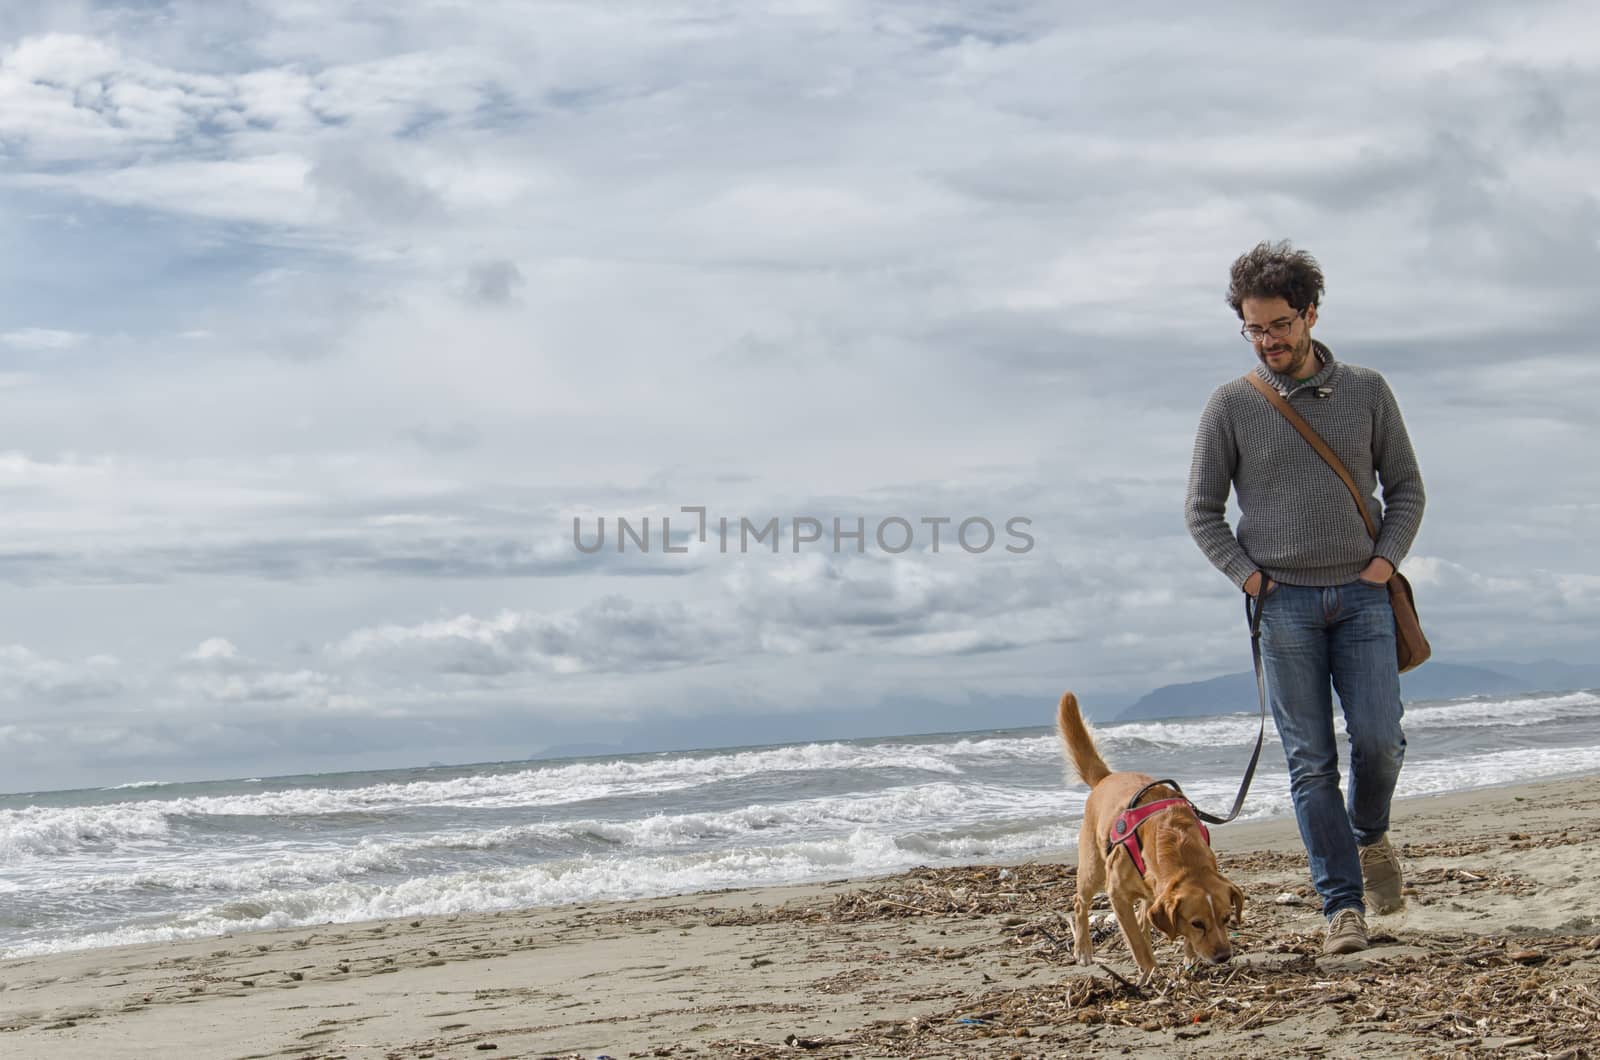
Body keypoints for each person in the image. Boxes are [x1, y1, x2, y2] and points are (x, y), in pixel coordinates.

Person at [1184, 240, 1426, 956]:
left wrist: (1384, 563)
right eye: (1254, 329)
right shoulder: (1230, 405)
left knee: (1381, 742)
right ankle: (1342, 907)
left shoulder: (1368, 391)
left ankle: (1371, 837)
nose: (1268, 342)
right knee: (1311, 762)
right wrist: (1251, 579)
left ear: (1311, 314)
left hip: (1362, 598)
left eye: (1280, 325)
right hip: (1282, 606)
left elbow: (1406, 488)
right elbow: (1202, 511)